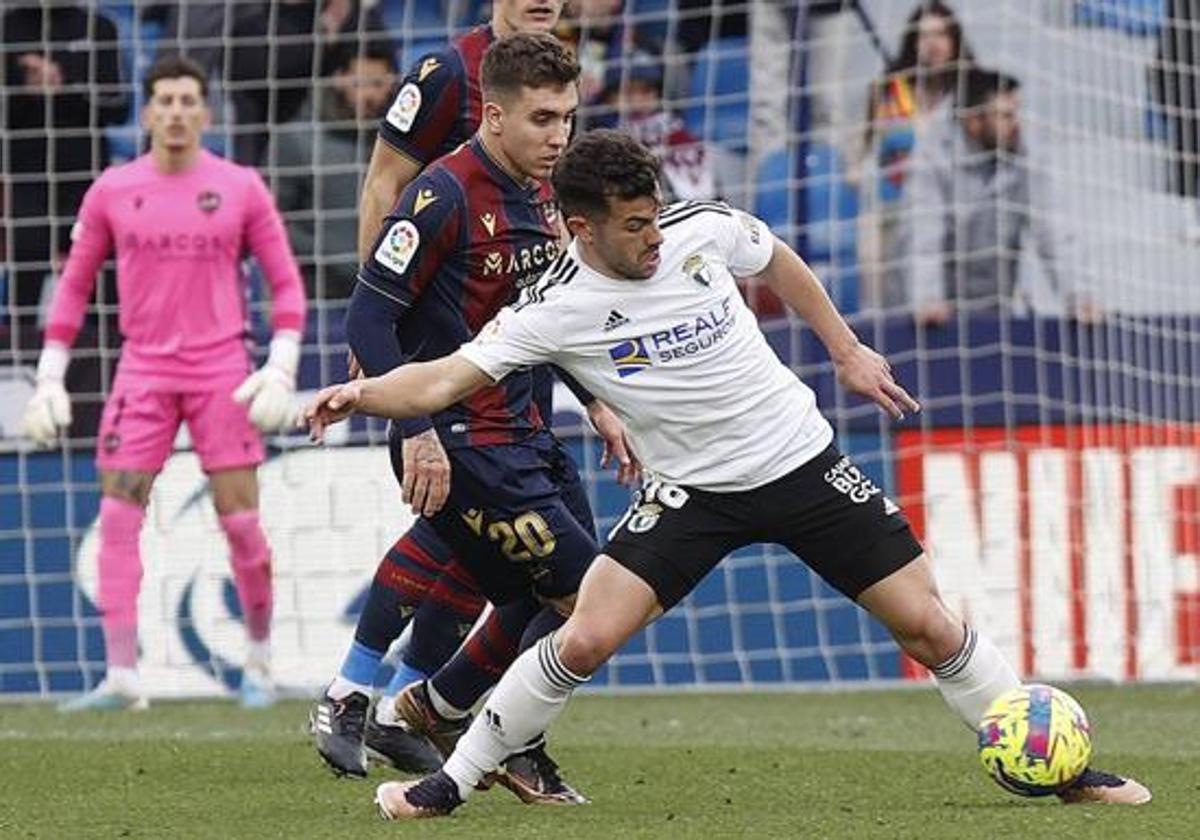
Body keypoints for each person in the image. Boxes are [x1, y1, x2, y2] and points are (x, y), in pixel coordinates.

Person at [303, 129, 1153, 816]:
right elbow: (447, 376)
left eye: (654, 217)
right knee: (585, 636)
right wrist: (364, 394)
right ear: (580, 227)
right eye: (633, 227)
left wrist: (845, 348)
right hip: (691, 494)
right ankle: (450, 782)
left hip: (800, 462)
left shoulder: (699, 231)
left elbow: (774, 256)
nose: (653, 239)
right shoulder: (554, 310)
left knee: (929, 625)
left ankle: (1058, 772)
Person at [312, 35, 633, 804]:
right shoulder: (442, 196)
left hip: (525, 429)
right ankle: (463, 723)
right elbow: (367, 320)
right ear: (493, 116)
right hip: (460, 440)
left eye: (568, 118)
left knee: (540, 599)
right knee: (592, 600)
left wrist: (596, 400)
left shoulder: (544, 196)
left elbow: (540, 321)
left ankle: (434, 711)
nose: (560, 137)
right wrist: (415, 429)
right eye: (543, 119)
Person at [22, 54, 307, 711]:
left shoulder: (240, 187)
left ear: (205, 113)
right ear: (147, 111)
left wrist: (282, 364)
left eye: (187, 100)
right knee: (118, 516)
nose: (176, 112)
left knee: (242, 526)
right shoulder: (113, 191)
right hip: (142, 371)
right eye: (165, 100)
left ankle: (258, 664)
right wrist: (49, 379)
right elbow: (74, 286)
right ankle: (123, 675)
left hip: (222, 374)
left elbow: (286, 283)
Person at [2, 1, 129, 437]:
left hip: (85, 184)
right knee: (23, 290)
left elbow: (118, 105)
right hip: (26, 183)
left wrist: (63, 83)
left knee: (100, 294)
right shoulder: (8, 27)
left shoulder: (99, 26)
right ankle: (19, 410)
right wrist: (24, 88)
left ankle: (101, 407)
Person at [899, 68, 1094, 324]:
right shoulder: (931, 159)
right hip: (930, 313)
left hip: (995, 306)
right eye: (1005, 115)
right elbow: (923, 238)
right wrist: (926, 299)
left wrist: (1078, 296)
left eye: (1016, 112)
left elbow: (1053, 230)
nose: (1016, 123)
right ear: (974, 122)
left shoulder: (1026, 152)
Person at [854, 0, 972, 310]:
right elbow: (861, 154)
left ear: (955, 41)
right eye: (924, 36)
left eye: (941, 35)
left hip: (954, 218)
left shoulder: (971, 97)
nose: (932, 44)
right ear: (913, 41)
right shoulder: (888, 92)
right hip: (892, 213)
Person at [275, 41, 398, 300]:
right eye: (359, 83)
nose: (368, 95)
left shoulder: (406, 145)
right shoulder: (295, 140)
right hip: (315, 289)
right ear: (339, 79)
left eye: (377, 84)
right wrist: (332, 254)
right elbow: (274, 222)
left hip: (386, 291)